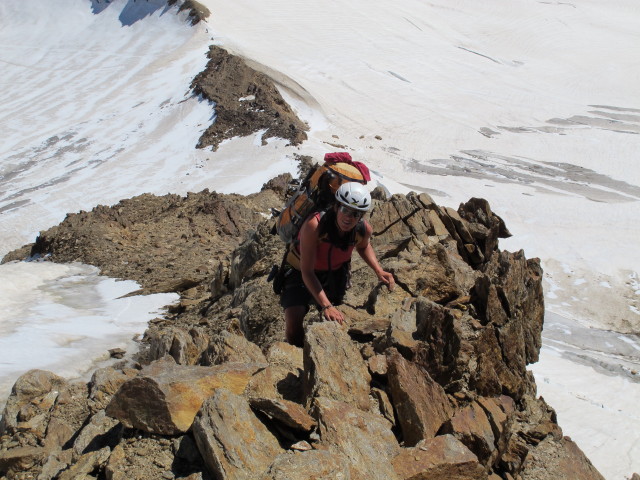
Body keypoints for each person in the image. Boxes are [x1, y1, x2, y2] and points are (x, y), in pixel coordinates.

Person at [280, 182, 395, 346]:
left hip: (334, 274)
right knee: (293, 322)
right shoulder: (315, 225)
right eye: (345, 210)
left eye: (355, 214)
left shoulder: (363, 229)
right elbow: (307, 271)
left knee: (336, 320)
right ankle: (297, 354)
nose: (349, 218)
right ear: (336, 207)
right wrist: (326, 306)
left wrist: (378, 270)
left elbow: (364, 246)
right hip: (300, 272)